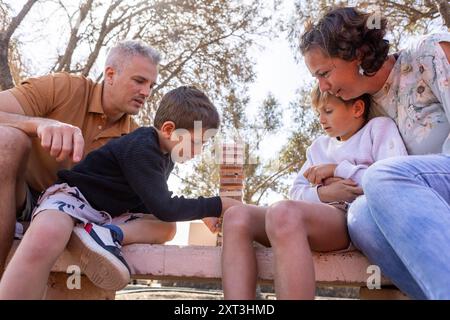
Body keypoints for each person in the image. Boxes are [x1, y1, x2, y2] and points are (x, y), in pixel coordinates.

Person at [0, 86, 240, 299]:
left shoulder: (165, 158)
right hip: (74, 200)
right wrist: (216, 205)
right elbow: (164, 206)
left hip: (107, 217)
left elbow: (149, 205)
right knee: (47, 236)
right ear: (169, 130)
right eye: (197, 142)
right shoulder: (142, 147)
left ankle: (106, 235)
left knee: (166, 227)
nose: (198, 151)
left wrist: (203, 213)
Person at [300, 7, 450, 299]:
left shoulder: (428, 52)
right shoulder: (367, 113)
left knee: (382, 175)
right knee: (361, 217)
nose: (322, 86)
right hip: (429, 206)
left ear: (358, 53)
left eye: (324, 73)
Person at [0, 40, 178, 277]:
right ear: (111, 74)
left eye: (151, 85)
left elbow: (150, 204)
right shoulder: (63, 87)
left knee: (164, 221)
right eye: (139, 81)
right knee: (8, 140)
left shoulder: (138, 140)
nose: (146, 92)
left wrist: (202, 210)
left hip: (73, 216)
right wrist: (40, 124)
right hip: (20, 195)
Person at [221, 84, 407, 299]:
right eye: (318, 113)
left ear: (357, 108)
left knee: (284, 212)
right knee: (236, 216)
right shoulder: (318, 147)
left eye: (328, 111)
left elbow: (394, 181)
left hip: (352, 220)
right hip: (312, 216)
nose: (321, 119)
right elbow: (297, 192)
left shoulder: (378, 129)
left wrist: (338, 169)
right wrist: (325, 193)